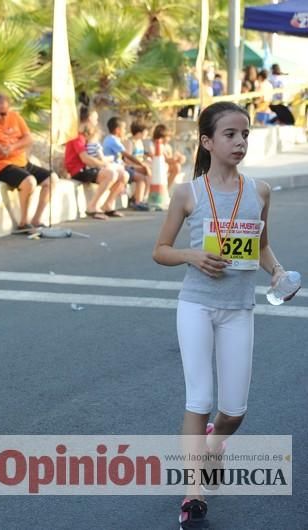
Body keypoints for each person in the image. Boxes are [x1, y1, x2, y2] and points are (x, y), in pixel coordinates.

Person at [153, 102, 297, 529]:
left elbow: (262, 245)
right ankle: (193, 494)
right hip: (195, 305)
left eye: (245, 134)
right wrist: (191, 256)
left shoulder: (260, 192)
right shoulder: (188, 193)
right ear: (207, 142)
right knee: (198, 398)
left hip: (240, 310)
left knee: (234, 411)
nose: (240, 142)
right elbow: (160, 251)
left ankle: (215, 442)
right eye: (230, 134)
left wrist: (278, 272)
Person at [0, 94, 57, 232]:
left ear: (9, 110)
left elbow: (28, 139)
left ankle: (36, 219)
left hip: (20, 160)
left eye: (3, 114)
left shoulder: (15, 117)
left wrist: (13, 147)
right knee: (29, 182)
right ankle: (23, 222)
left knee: (52, 179)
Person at [64, 118, 124, 220]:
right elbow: (85, 158)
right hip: (78, 171)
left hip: (86, 169)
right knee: (111, 174)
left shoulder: (84, 139)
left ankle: (107, 205)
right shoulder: (77, 138)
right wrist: (102, 164)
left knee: (123, 175)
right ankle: (92, 207)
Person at [103, 117, 151, 210]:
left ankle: (135, 198)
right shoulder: (113, 140)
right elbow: (127, 155)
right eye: (124, 128)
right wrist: (142, 164)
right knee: (141, 178)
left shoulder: (111, 139)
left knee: (143, 174)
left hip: (118, 167)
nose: (125, 131)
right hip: (116, 167)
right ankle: (137, 201)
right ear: (117, 130)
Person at [152, 124, 185, 189]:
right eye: (167, 137)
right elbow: (166, 159)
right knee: (176, 166)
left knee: (177, 166)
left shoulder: (167, 146)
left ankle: (165, 189)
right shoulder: (157, 145)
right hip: (157, 165)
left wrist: (180, 158)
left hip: (165, 165)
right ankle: (164, 189)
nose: (169, 139)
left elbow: (170, 157)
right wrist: (177, 159)